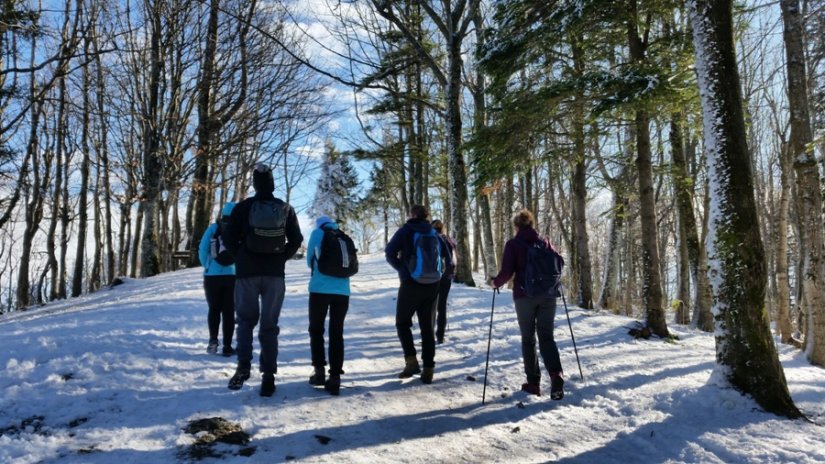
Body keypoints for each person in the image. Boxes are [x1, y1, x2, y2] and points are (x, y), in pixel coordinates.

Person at [222, 163, 303, 397]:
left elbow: (227, 238)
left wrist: (241, 257)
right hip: (274, 275)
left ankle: (243, 367)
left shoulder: (242, 208)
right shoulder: (284, 208)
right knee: (269, 326)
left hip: (247, 274)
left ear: (255, 184)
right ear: (273, 183)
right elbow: (296, 239)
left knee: (245, 322)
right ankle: (268, 377)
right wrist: (281, 258)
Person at [490, 208, 565, 400]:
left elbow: (507, 272)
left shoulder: (513, 244)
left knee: (528, 338)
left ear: (516, 226)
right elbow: (559, 264)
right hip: (549, 295)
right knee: (547, 337)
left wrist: (495, 283)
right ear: (532, 224)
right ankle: (556, 375)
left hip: (525, 296)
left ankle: (533, 383)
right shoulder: (545, 241)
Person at [385, 204, 452, 384]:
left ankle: (411, 362)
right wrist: (440, 274)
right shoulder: (434, 233)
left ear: (412, 215)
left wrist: (402, 269)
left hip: (410, 284)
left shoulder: (405, 230)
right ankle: (429, 368)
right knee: (427, 327)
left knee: (402, 323)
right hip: (432, 285)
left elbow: (389, 252)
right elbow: (449, 259)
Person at [306, 215, 351, 395]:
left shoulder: (317, 233)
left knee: (316, 330)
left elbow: (310, 259)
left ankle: (319, 372)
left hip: (319, 290)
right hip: (342, 291)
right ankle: (335, 377)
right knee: (336, 332)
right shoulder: (342, 235)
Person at [198, 201, 237, 357]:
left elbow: (202, 248)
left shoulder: (213, 228)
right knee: (229, 311)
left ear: (223, 214)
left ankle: (213, 342)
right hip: (232, 275)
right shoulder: (239, 230)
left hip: (212, 276)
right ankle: (227, 346)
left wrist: (207, 264)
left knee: (214, 309)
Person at [430, 219, 457, 344]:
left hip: (433, 276)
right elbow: (454, 259)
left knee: (431, 305)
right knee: (442, 306)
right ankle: (440, 335)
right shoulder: (449, 240)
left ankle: (429, 334)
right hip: (447, 276)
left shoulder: (431, 238)